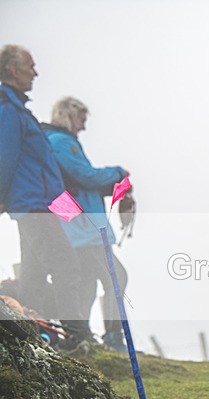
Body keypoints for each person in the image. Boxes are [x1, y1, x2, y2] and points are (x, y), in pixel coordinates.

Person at [0, 44, 92, 349]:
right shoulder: (8, 108)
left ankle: (35, 337)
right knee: (66, 266)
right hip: (32, 207)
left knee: (34, 274)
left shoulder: (20, 109)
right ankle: (76, 338)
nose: (36, 72)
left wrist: (71, 212)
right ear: (12, 69)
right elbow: (6, 158)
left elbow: (43, 170)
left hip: (40, 205)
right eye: (30, 66)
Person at [43, 97, 131, 352]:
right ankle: (112, 336)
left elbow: (78, 181)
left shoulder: (58, 142)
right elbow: (86, 176)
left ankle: (82, 336)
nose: (83, 126)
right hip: (83, 226)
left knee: (87, 281)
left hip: (77, 223)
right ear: (69, 115)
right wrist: (118, 173)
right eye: (82, 118)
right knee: (116, 276)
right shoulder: (61, 142)